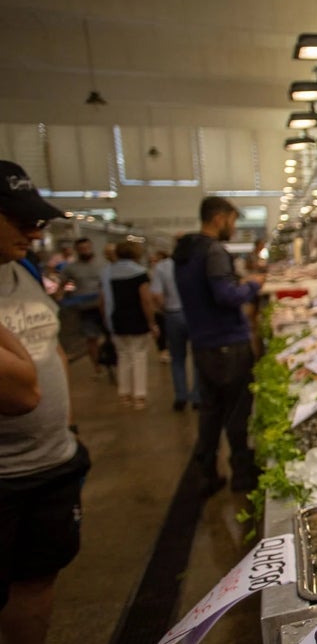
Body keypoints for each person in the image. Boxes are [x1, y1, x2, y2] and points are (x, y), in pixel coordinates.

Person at [0, 160, 115, 644]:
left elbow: (44, 353)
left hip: (50, 461)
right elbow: (19, 391)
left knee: (37, 572)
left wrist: (66, 425)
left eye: (37, 219)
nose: (34, 230)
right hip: (3, 472)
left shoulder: (22, 269)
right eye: (19, 219)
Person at [174, 196, 265, 496]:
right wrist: (252, 284)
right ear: (219, 218)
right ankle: (243, 476)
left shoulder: (185, 251)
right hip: (228, 344)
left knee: (211, 412)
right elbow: (226, 295)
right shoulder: (213, 250)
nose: (234, 227)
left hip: (202, 345)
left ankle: (206, 473)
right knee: (238, 412)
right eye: (233, 220)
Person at [100, 241, 158, 410]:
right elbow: (146, 300)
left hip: (116, 320)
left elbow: (102, 301)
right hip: (137, 321)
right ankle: (139, 396)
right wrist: (152, 322)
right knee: (139, 357)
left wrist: (106, 320)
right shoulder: (140, 273)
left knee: (123, 357)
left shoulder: (107, 273)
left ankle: (124, 394)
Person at [150, 242, 198, 412]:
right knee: (198, 356)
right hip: (195, 313)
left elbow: (156, 294)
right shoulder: (197, 264)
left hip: (173, 314)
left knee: (177, 358)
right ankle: (197, 396)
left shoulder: (162, 267)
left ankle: (180, 396)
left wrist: (166, 308)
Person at [58, 237, 108, 376]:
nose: (85, 251)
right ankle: (97, 367)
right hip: (84, 307)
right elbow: (62, 285)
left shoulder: (103, 264)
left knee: (111, 335)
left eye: (87, 248)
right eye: (81, 249)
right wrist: (59, 297)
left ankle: (112, 360)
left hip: (103, 306)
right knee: (91, 337)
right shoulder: (71, 268)